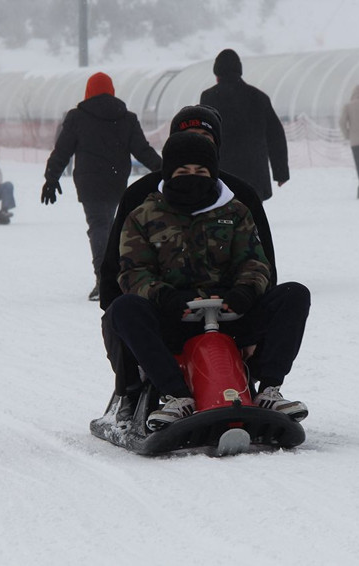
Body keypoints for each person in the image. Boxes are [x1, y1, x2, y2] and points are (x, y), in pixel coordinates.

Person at [106, 132, 310, 431]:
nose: (193, 178)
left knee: (294, 295)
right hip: (174, 316)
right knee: (125, 309)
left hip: (231, 313)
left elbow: (254, 261)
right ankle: (175, 394)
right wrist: (163, 296)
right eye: (183, 172)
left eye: (201, 172)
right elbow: (133, 270)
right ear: (169, 174)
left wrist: (246, 290)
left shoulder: (236, 212)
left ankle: (269, 388)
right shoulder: (143, 216)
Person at [41, 72, 162, 301]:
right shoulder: (126, 118)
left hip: (89, 183)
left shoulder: (77, 117)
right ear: (112, 91)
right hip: (116, 181)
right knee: (111, 228)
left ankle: (103, 280)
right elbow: (143, 151)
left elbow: (63, 150)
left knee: (99, 227)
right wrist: (165, 169)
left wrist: (51, 177)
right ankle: (114, 277)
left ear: (88, 91)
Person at [200, 49, 289, 201]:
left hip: (222, 172)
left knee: (223, 217)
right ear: (239, 71)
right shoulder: (259, 97)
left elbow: (203, 134)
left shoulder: (209, 97)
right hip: (254, 174)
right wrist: (280, 172)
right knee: (251, 216)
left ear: (217, 74)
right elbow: (275, 136)